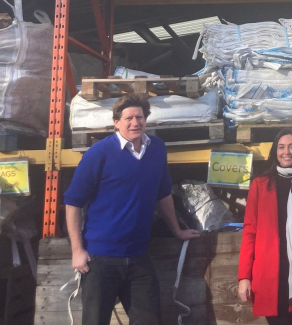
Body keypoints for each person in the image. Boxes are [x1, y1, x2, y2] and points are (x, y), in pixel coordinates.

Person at [64, 94, 200, 325]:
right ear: (116, 122)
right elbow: (73, 202)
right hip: (101, 257)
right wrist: (77, 251)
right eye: (128, 118)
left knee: (149, 320)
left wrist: (177, 230)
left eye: (140, 117)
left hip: (138, 255)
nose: (135, 123)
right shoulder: (99, 153)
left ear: (146, 120)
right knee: (94, 321)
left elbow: (163, 194)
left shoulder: (156, 149)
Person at [238, 129, 292, 325]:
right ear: (275, 152)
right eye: (281, 147)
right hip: (269, 274)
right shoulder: (260, 185)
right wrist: (244, 277)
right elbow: (250, 232)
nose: (287, 152)